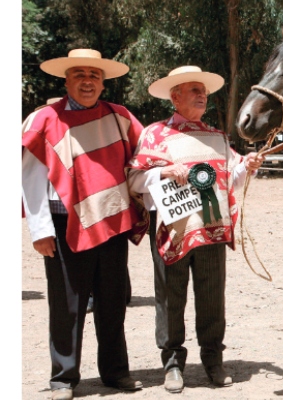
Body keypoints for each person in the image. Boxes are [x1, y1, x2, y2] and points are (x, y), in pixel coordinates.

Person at [126, 66, 265, 394]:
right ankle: (172, 362)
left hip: (211, 230)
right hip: (173, 231)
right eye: (194, 91)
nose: (201, 96)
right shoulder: (154, 135)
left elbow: (229, 178)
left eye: (203, 91)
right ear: (175, 97)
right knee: (171, 298)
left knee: (212, 297)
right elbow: (133, 179)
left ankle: (213, 359)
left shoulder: (217, 137)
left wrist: (247, 166)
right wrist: (162, 173)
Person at [21, 49, 148, 400]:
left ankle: (115, 372)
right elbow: (29, 178)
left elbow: (143, 162)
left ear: (103, 82)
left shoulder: (120, 117)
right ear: (66, 80)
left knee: (112, 302)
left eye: (94, 75)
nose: (87, 81)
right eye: (79, 74)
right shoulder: (44, 119)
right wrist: (40, 230)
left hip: (112, 222)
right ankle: (63, 378)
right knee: (67, 305)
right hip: (63, 227)